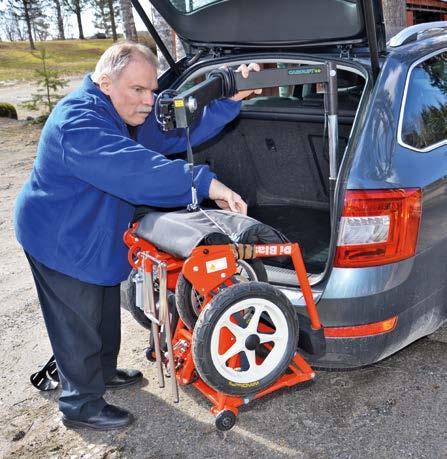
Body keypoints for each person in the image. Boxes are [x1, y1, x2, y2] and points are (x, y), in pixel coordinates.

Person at [14, 42, 261, 431]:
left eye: (152, 90)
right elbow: (135, 171)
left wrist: (228, 101)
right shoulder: (77, 123)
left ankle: (103, 372)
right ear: (106, 82)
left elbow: (174, 132)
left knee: (102, 308)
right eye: (139, 91)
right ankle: (80, 403)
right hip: (59, 238)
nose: (149, 101)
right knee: (76, 320)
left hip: (91, 230)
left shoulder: (120, 111)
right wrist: (206, 183)